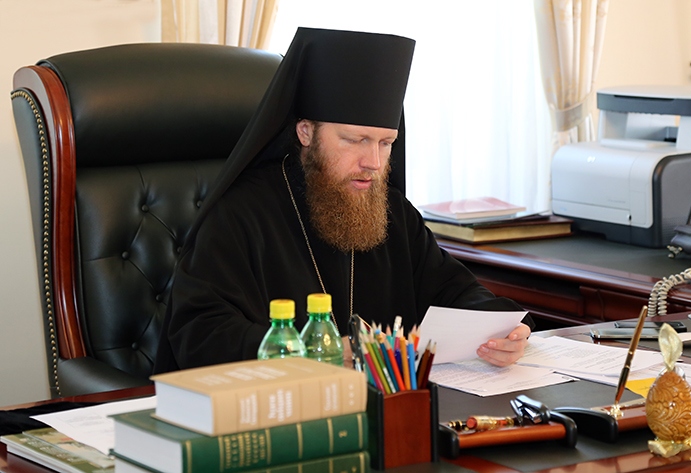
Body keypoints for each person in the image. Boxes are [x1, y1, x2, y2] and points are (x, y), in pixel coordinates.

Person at [154, 27, 534, 374]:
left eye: (386, 143)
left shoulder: (392, 213)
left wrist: (505, 330)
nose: (374, 163)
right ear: (306, 132)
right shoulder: (239, 215)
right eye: (355, 141)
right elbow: (201, 333)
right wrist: (317, 352)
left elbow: (457, 292)